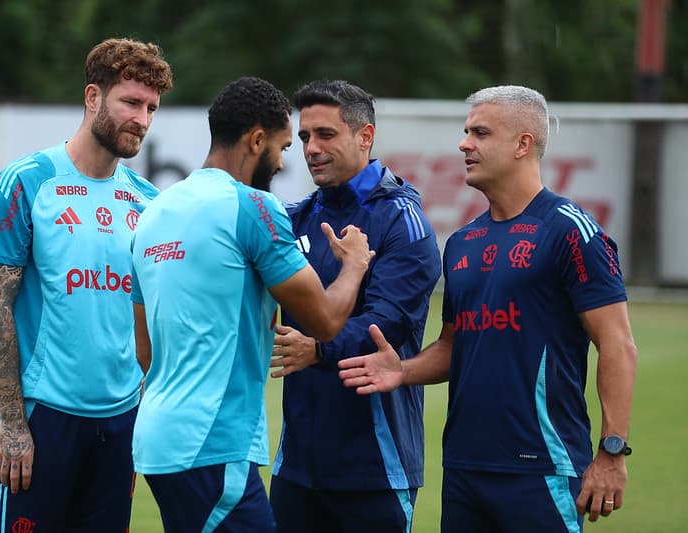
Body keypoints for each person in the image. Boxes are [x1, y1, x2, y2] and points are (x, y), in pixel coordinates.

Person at [339, 85, 638, 532]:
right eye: (465, 132)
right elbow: (455, 345)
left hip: (542, 468)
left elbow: (617, 343)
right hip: (463, 469)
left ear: (523, 144)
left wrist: (612, 450)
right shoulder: (461, 243)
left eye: (479, 133)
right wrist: (403, 370)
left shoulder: (569, 230)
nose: (464, 143)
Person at [129, 76, 375, 533]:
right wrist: (355, 265)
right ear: (256, 139)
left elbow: (144, 351)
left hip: (158, 439)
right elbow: (323, 320)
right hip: (213, 442)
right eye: (283, 147)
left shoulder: (153, 214)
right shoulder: (255, 207)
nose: (284, 162)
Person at [0, 37, 172, 532]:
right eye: (131, 102)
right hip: (45, 419)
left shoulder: (149, 203)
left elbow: (149, 317)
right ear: (93, 97)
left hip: (121, 423)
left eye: (151, 108)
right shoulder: (26, 181)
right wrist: (14, 423)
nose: (143, 120)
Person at [267, 79, 441, 533]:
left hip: (376, 467)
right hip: (296, 467)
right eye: (305, 136)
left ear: (365, 137)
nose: (311, 148)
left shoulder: (403, 221)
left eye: (326, 134)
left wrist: (319, 350)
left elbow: (390, 322)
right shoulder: (296, 217)